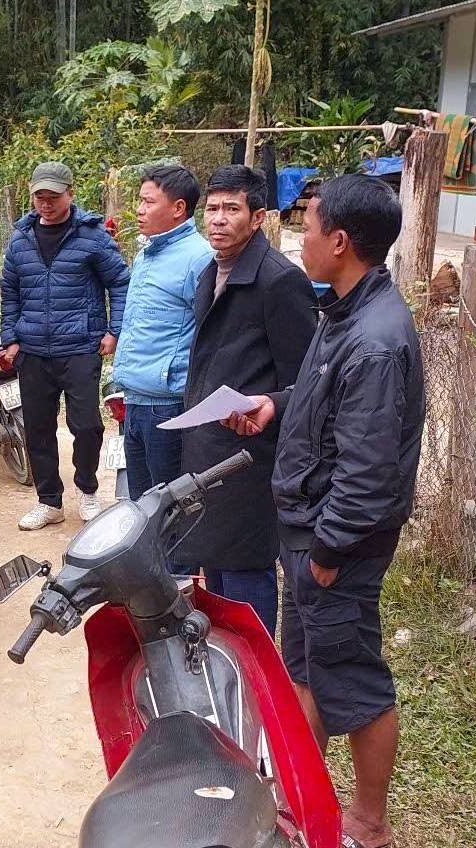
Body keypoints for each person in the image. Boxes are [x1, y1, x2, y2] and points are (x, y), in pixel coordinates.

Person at [225, 175, 424, 848]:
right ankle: (307, 798)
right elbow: (324, 404)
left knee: (356, 683)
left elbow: (368, 472)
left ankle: (368, 825)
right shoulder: (342, 313)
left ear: (339, 242)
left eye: (307, 226)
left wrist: (330, 551)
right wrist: (278, 404)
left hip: (333, 543)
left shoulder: (373, 338)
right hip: (308, 534)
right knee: (305, 669)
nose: (299, 238)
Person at [177, 165, 318, 636]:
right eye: (212, 209)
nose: (217, 219)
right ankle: (225, 675)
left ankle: (253, 681)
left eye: (231, 209)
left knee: (244, 577)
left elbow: (307, 383)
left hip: (249, 458)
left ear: (258, 218)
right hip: (206, 451)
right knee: (213, 574)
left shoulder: (279, 282)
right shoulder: (207, 274)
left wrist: (268, 404)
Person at [1, 161, 130, 530]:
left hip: (80, 346)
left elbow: (120, 282)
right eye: (40, 196)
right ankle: (49, 501)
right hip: (33, 351)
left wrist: (114, 330)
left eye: (53, 196)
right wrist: (10, 336)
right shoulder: (21, 239)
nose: (46, 203)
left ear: (70, 194)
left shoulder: (90, 237)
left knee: (87, 425)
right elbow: (9, 291)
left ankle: (87, 491)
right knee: (38, 428)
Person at [111, 163, 212, 509]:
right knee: (140, 508)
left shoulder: (199, 259)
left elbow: (208, 333)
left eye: (148, 202)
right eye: (139, 201)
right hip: (136, 401)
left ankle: (175, 565)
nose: (139, 210)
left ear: (178, 208)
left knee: (168, 510)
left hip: (167, 406)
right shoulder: (147, 254)